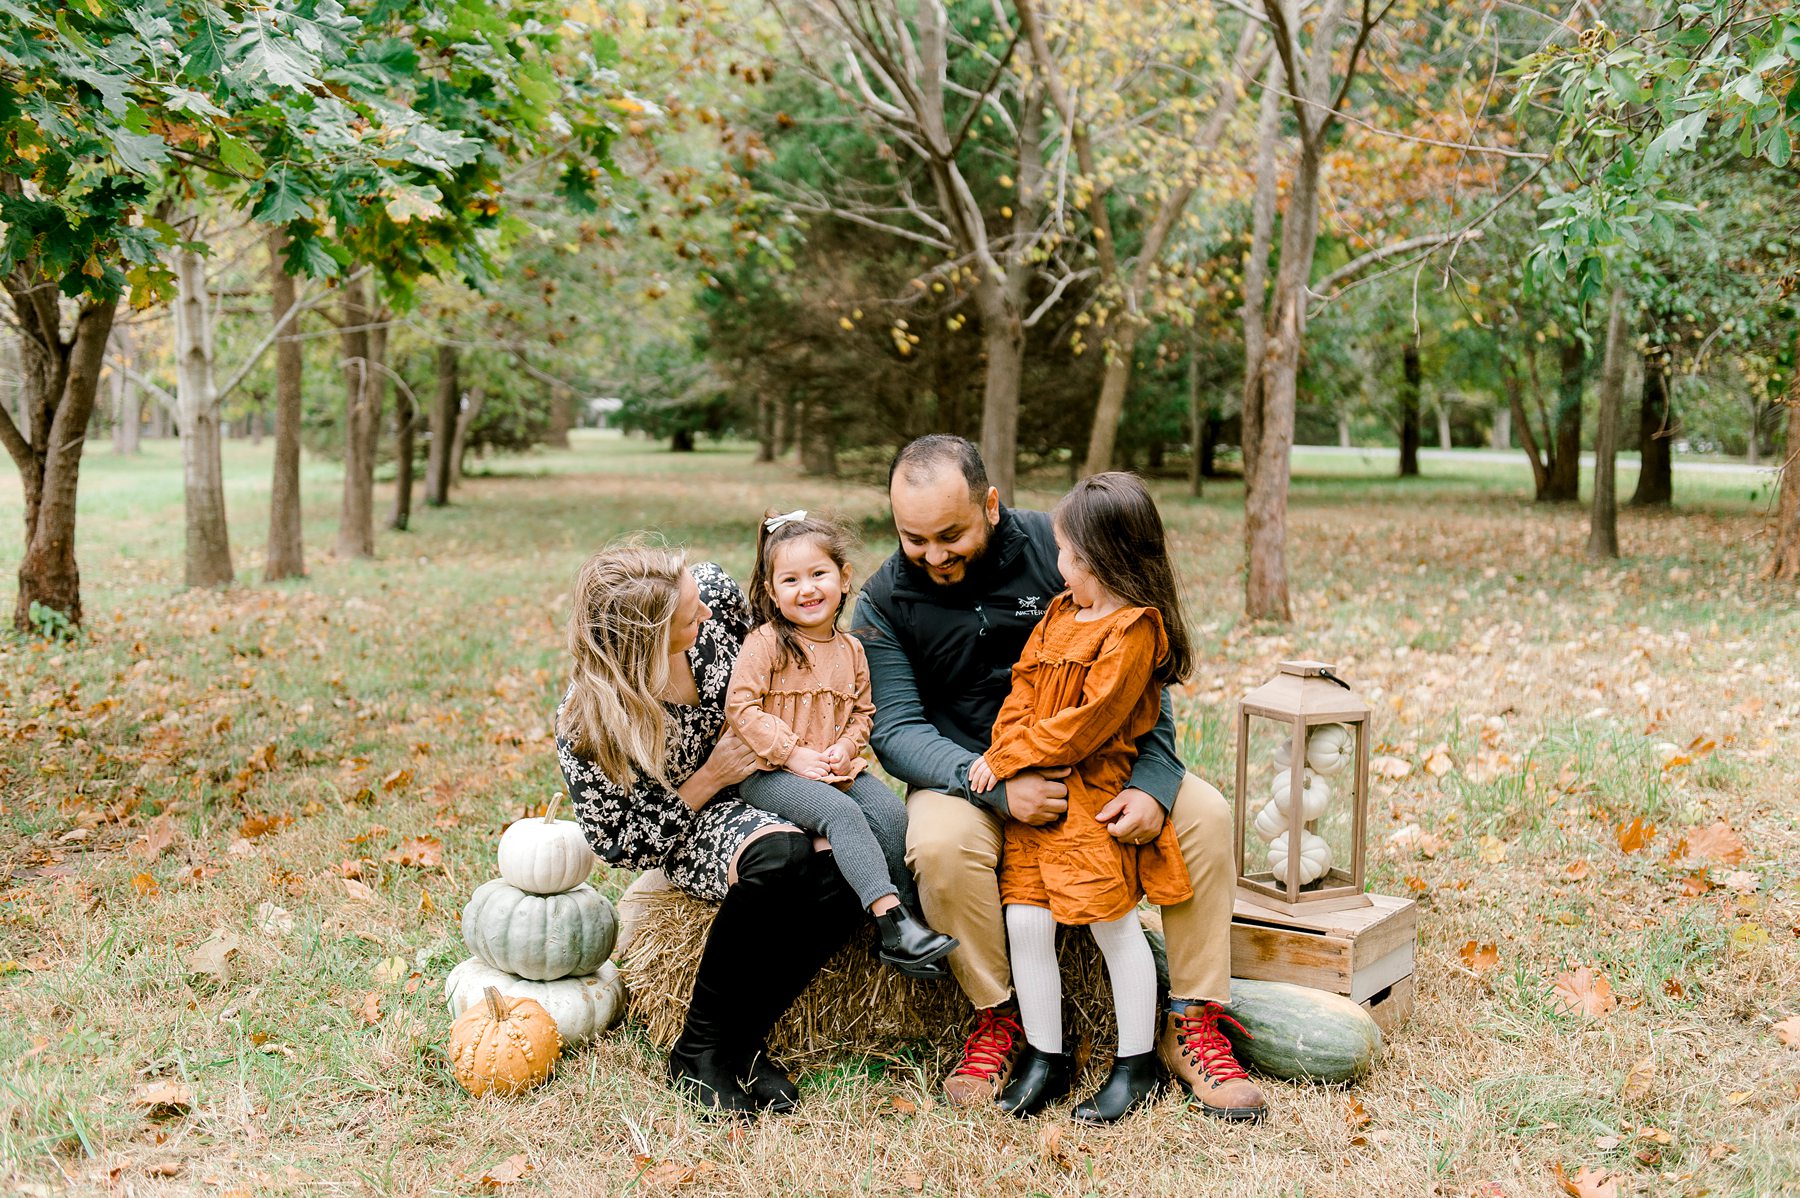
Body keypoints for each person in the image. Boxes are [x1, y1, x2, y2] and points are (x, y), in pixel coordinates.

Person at [856, 436, 1266, 1122]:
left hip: (1101, 763)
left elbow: (1139, 676)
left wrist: (1155, 780)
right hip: (968, 775)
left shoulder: (1064, 548)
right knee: (939, 846)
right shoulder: (883, 601)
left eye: (950, 534)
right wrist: (992, 785)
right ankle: (1003, 1018)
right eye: (913, 538)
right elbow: (895, 730)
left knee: (1206, 814)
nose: (932, 555)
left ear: (990, 505)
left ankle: (1191, 1018)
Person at [554, 543, 864, 1115]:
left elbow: (781, 653)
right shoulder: (591, 718)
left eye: (699, 605)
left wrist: (812, 741)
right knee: (781, 860)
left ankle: (740, 1044)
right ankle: (698, 1050)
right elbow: (620, 840)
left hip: (772, 770)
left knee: (849, 865)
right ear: (643, 641)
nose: (707, 618)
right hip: (687, 816)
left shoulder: (712, 592)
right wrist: (707, 778)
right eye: (689, 619)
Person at [966, 473, 1194, 1122]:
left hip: (1092, 795)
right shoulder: (1061, 613)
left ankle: (1135, 1063)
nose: (1057, 561)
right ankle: (1047, 1057)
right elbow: (1023, 692)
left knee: (1109, 923)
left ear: (1093, 560)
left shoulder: (1134, 631)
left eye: (1065, 551)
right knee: (1027, 922)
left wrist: (1009, 757)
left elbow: (1086, 725)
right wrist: (1003, 751)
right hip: (1040, 796)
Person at [725, 508, 958, 977]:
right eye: (790, 580)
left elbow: (862, 714)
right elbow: (741, 708)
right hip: (769, 774)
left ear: (843, 576)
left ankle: (909, 925)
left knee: (892, 816)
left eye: (817, 574)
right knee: (842, 815)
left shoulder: (852, 649)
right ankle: (890, 919)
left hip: (834, 769)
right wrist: (792, 753)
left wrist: (846, 749)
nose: (807, 589)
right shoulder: (766, 643)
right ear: (772, 591)